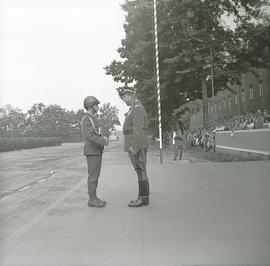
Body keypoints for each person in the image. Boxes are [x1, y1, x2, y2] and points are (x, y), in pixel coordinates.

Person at [117, 86, 150, 207]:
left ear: (131, 96)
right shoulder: (133, 108)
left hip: (137, 145)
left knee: (141, 170)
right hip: (135, 143)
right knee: (140, 170)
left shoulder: (137, 109)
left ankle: (143, 198)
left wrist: (134, 148)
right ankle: (143, 197)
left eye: (125, 97)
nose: (124, 100)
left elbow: (139, 129)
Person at [81, 96, 108, 208]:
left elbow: (95, 133)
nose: (98, 107)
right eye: (96, 105)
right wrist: (102, 141)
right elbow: (89, 135)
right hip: (92, 151)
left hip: (95, 151)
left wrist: (102, 138)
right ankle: (92, 199)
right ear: (90, 106)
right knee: (93, 176)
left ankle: (94, 197)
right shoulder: (87, 118)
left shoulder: (92, 118)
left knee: (95, 175)